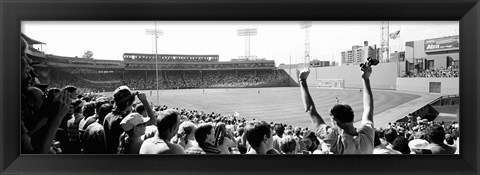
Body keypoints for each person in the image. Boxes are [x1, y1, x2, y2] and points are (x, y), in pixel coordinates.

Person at [298, 66, 375, 154]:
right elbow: (368, 108)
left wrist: (302, 81)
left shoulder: (337, 142)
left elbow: (310, 110)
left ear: (335, 122)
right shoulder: (368, 136)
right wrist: (366, 79)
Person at [103, 86, 156, 154]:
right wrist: (144, 101)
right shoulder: (124, 121)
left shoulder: (108, 117)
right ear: (128, 103)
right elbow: (153, 121)